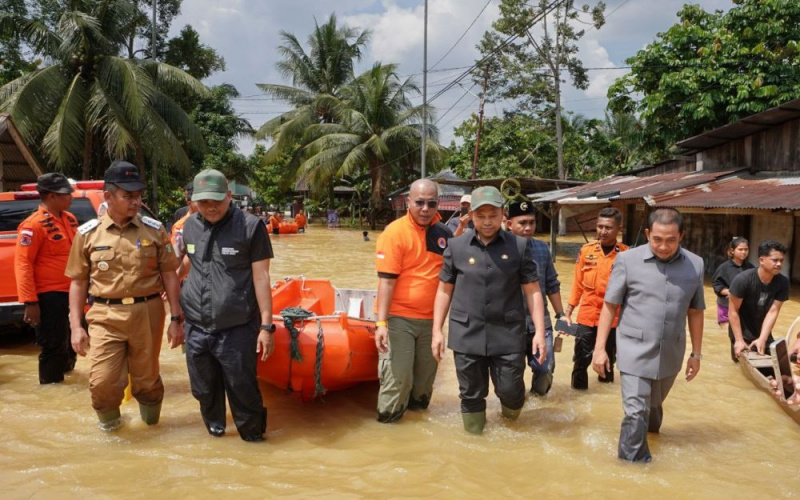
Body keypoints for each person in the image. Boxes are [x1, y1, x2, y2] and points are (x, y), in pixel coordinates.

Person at [66, 161, 184, 432]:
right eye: (128, 196)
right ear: (108, 196)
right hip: (104, 315)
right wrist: (75, 327)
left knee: (147, 380)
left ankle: (151, 432)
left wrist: (176, 318)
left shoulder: (154, 230)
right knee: (103, 382)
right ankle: (113, 435)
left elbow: (169, 275)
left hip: (148, 311)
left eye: (138, 195)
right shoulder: (87, 234)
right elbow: (78, 282)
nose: (136, 201)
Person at [591, 207, 704, 462]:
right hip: (633, 350)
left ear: (681, 236)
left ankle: (652, 436)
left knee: (652, 410)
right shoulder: (627, 261)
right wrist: (600, 349)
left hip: (671, 352)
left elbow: (696, 311)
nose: (664, 246)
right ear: (647, 234)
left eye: (671, 240)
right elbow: (610, 305)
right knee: (635, 412)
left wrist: (696, 354)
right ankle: (632, 470)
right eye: (657, 239)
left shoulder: (695, 265)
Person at [432, 186, 546, 434]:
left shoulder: (519, 246)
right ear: (471, 215)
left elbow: (533, 290)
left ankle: (512, 427)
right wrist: (437, 331)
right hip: (466, 333)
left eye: (492, 215)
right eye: (480, 215)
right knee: (470, 394)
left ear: (503, 214)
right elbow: (444, 290)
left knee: (510, 391)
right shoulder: (456, 246)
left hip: (508, 333)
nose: (486, 222)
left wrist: (539, 331)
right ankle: (474, 443)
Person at [180, 169, 274, 441]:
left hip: (237, 327)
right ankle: (215, 430)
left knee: (242, 388)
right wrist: (173, 302)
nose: (210, 207)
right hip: (196, 326)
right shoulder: (189, 226)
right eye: (203, 201)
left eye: (216, 201)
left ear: (229, 196)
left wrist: (266, 327)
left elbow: (261, 276)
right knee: (203, 389)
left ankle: (253, 438)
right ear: (194, 200)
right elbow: (188, 262)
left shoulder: (250, 226)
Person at [374, 179, 453, 423]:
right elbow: (386, 282)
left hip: (432, 322)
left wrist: (440, 327)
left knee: (423, 385)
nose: (425, 209)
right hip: (399, 319)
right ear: (408, 202)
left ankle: (417, 439)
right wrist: (381, 324)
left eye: (431, 203)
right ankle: (388, 429)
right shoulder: (394, 233)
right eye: (419, 203)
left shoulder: (444, 234)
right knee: (398, 381)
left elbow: (451, 282)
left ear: (438, 203)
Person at [14, 173, 79, 384]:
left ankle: (69, 385)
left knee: (71, 344)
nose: (71, 196)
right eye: (66, 194)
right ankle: (53, 388)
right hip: (49, 295)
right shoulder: (32, 226)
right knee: (53, 346)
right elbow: (23, 264)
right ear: (51, 196)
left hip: (72, 292)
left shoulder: (69, 219)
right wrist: (30, 302)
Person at [505, 199, 567, 395]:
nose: (528, 227)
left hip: (540, 323)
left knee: (545, 368)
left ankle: (537, 403)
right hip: (509, 324)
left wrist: (561, 314)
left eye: (531, 222)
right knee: (510, 377)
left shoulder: (542, 249)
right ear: (509, 224)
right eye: (522, 223)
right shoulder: (500, 250)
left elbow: (551, 283)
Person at [566, 208, 629, 390]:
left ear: (619, 228)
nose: (602, 231)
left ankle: (604, 395)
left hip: (613, 321)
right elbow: (577, 284)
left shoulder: (626, 255)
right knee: (580, 360)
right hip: (587, 316)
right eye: (599, 226)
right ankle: (578, 396)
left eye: (608, 227)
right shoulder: (586, 251)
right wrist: (568, 312)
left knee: (607, 362)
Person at [728, 240, 789, 360]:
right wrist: (739, 340)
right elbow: (733, 311)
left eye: (781, 260)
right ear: (762, 260)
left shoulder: (783, 282)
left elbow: (773, 311)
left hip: (763, 331)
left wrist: (762, 338)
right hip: (741, 332)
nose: (779, 264)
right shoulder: (743, 280)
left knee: (776, 366)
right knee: (739, 365)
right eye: (775, 260)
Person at [711, 237, 753, 333]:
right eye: (740, 249)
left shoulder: (751, 268)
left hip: (743, 306)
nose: (744, 252)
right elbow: (716, 283)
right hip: (726, 305)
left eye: (746, 249)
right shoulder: (724, 267)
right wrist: (730, 292)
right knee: (725, 332)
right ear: (732, 251)